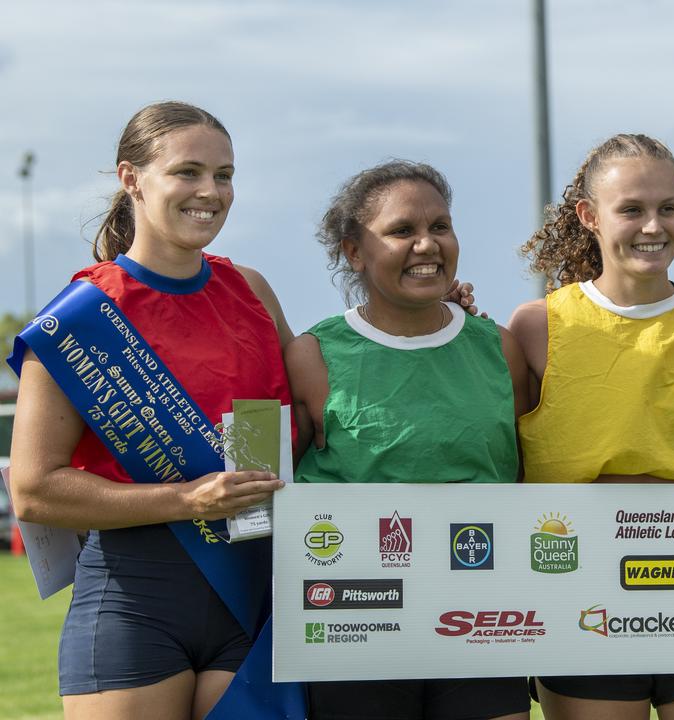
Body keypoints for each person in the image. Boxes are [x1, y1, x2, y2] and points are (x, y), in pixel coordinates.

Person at [6, 102, 301, 719]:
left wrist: (440, 314)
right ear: (131, 178)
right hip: (136, 599)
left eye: (224, 175)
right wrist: (188, 499)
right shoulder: (81, 316)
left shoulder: (250, 290)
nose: (210, 192)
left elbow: (323, 395)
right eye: (187, 172)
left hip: (254, 591)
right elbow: (34, 491)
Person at [510, 133, 674, 720]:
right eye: (631, 209)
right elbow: (512, 472)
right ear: (589, 217)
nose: (653, 226)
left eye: (668, 208)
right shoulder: (534, 328)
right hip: (579, 599)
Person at [286, 160, 531, 720]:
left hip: (480, 622)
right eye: (402, 231)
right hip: (354, 626)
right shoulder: (312, 355)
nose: (428, 244)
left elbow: (524, 475)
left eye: (441, 227)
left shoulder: (499, 347)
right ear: (354, 252)